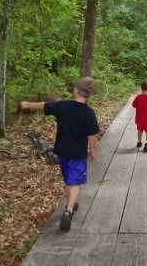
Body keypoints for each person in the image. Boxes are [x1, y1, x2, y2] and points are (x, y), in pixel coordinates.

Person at [20, 77, 100, 232]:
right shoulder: (89, 113)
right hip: (78, 153)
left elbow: (44, 106)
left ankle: (71, 202)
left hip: (62, 151)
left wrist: (26, 104)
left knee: (68, 179)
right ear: (88, 94)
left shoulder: (63, 106)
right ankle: (68, 210)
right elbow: (92, 135)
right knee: (75, 182)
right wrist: (93, 151)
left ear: (76, 90)